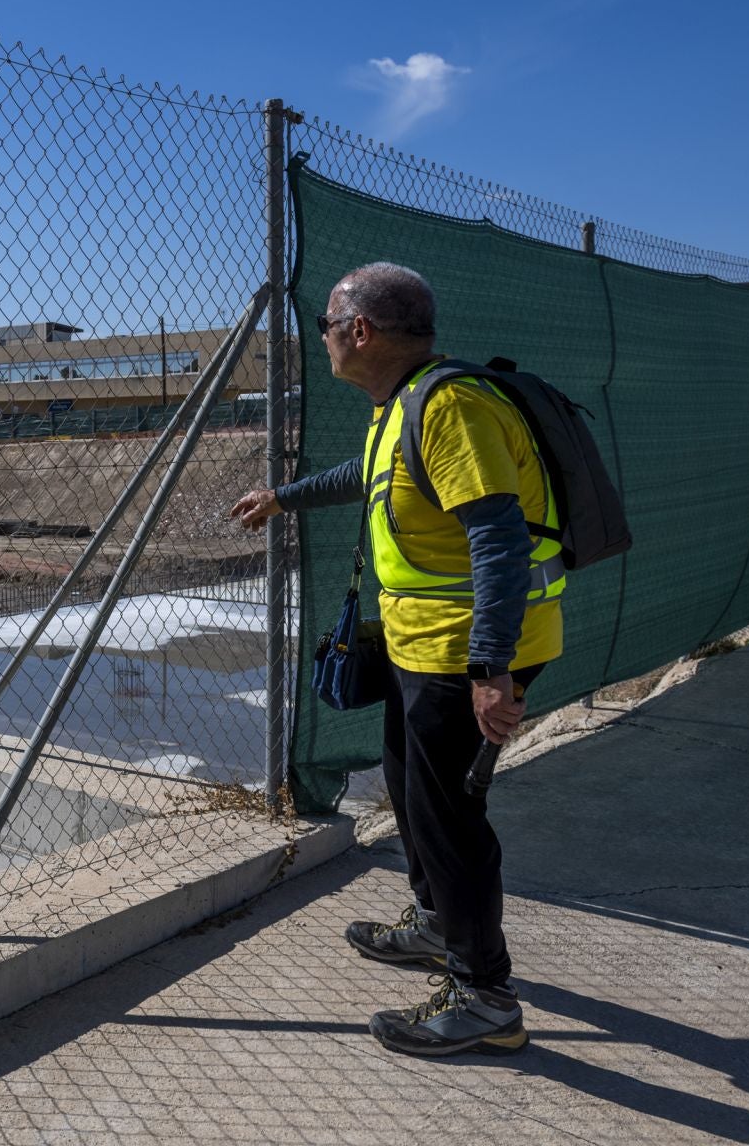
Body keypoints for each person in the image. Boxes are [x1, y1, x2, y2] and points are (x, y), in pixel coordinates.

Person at [229, 261, 562, 1059]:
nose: (325, 341)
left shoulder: (452, 408)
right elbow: (367, 477)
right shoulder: (400, 407)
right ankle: (436, 924)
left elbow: (497, 536)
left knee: (450, 821)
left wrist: (491, 670)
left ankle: (486, 999)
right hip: (423, 646)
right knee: (412, 792)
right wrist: (284, 497)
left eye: (328, 326)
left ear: (362, 331)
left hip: (466, 652)